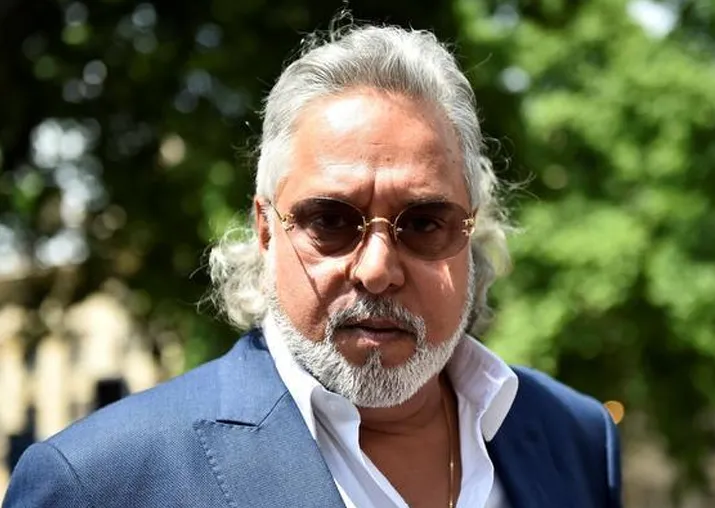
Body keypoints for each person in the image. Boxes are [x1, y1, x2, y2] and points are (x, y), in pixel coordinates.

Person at [4, 23, 622, 508]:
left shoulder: (575, 437)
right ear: (265, 229)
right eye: (330, 220)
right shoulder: (98, 483)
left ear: (469, 231)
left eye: (424, 224)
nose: (377, 270)